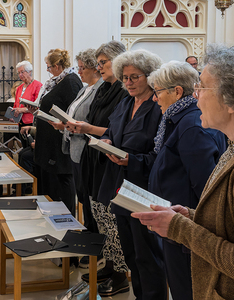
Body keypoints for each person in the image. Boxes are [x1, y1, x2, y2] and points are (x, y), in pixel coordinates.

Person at [132, 44, 233, 300]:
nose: (195, 96)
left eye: (202, 87)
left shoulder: (192, 128)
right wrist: (190, 214)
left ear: (230, 100)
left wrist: (180, 227)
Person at [96, 49, 167, 299]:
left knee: (147, 254)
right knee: (130, 253)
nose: (128, 82)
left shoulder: (158, 107)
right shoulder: (125, 101)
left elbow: (162, 155)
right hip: (120, 184)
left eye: (134, 77)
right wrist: (106, 141)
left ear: (149, 76)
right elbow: (114, 132)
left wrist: (131, 160)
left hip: (144, 187)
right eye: (125, 77)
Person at [65, 41, 129, 296]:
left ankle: (120, 275)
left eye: (103, 62)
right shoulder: (104, 89)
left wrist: (86, 128)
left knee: (113, 222)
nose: (99, 67)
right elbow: (95, 119)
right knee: (101, 217)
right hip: (95, 157)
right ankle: (110, 266)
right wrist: (80, 126)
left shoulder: (123, 91)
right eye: (99, 62)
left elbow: (115, 131)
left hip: (110, 162)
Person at [50, 48, 103, 268]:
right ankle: (87, 242)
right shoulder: (85, 89)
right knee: (83, 197)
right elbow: (75, 113)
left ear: (94, 68)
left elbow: (89, 119)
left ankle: (95, 248)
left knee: (89, 200)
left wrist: (73, 125)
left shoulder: (99, 89)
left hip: (86, 149)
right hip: (75, 147)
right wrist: (64, 124)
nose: (79, 71)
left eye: (82, 67)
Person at [22, 48, 82, 215]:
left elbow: (72, 111)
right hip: (49, 139)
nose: (48, 71)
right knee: (52, 180)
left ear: (57, 66)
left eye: (48, 67)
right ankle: (51, 211)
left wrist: (61, 123)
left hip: (59, 140)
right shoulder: (58, 81)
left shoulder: (70, 81)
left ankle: (65, 216)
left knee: (63, 180)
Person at [11, 61, 42, 148]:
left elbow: (38, 106)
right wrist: (13, 114)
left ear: (29, 72)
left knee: (30, 148)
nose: (20, 75)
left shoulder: (38, 86)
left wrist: (21, 110)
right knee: (24, 147)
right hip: (20, 122)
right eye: (19, 73)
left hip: (31, 122)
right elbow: (16, 104)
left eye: (22, 72)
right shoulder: (19, 88)